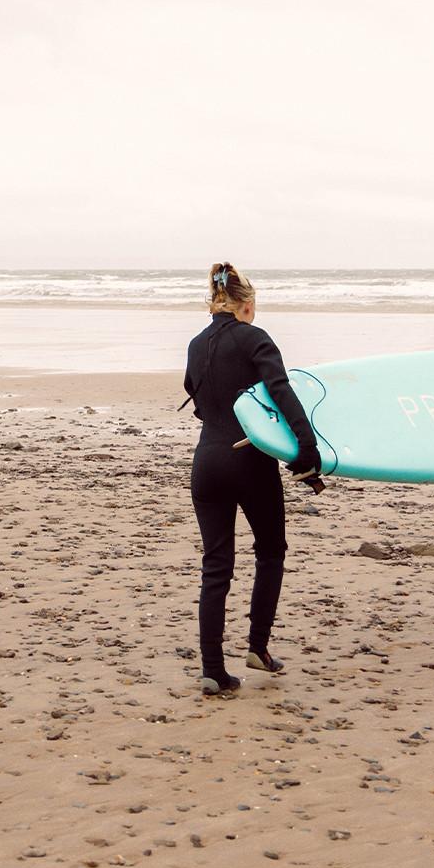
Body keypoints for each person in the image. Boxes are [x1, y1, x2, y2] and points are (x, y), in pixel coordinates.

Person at [184, 262, 321, 695]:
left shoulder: (195, 343)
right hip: (248, 462)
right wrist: (307, 447)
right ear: (247, 304)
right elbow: (282, 391)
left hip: (206, 463)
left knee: (216, 566)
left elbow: (198, 398)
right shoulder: (255, 338)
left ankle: (212, 669)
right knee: (271, 552)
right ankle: (257, 648)